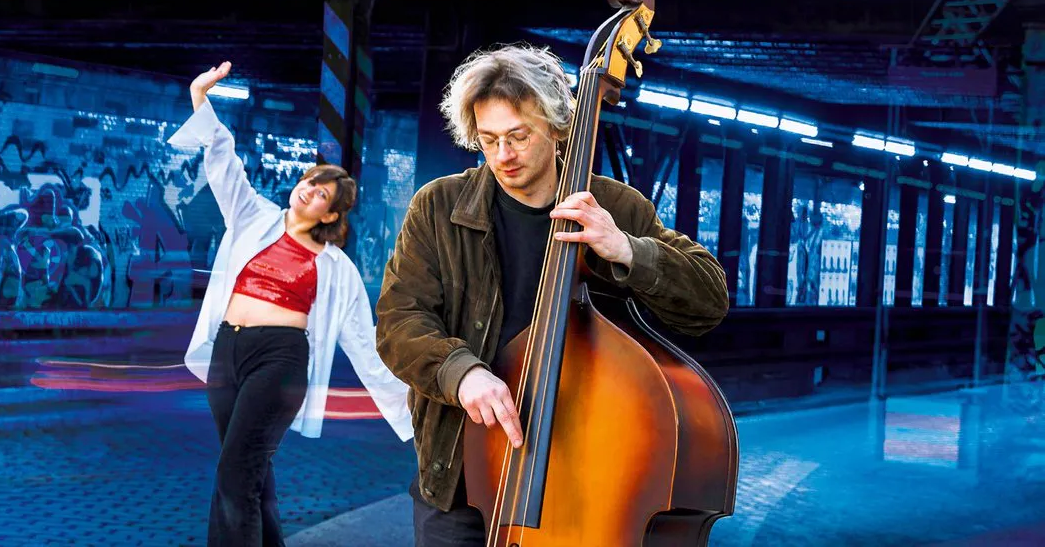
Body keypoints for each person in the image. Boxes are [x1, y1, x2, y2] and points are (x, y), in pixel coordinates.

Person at [375, 43, 729, 546]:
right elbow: (398, 321)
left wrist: (627, 248)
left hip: (581, 475)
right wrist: (462, 373)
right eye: (489, 139)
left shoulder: (613, 206)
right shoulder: (438, 206)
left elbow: (709, 300)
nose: (503, 156)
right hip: (460, 476)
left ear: (560, 127)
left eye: (519, 137)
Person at [167, 61, 413, 547]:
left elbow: (364, 341)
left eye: (322, 193)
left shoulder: (334, 267)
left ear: (333, 213)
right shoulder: (253, 216)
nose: (308, 190)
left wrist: (414, 405)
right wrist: (200, 97)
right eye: (310, 181)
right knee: (251, 474)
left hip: (278, 361)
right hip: (227, 352)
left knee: (236, 474)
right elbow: (223, 161)